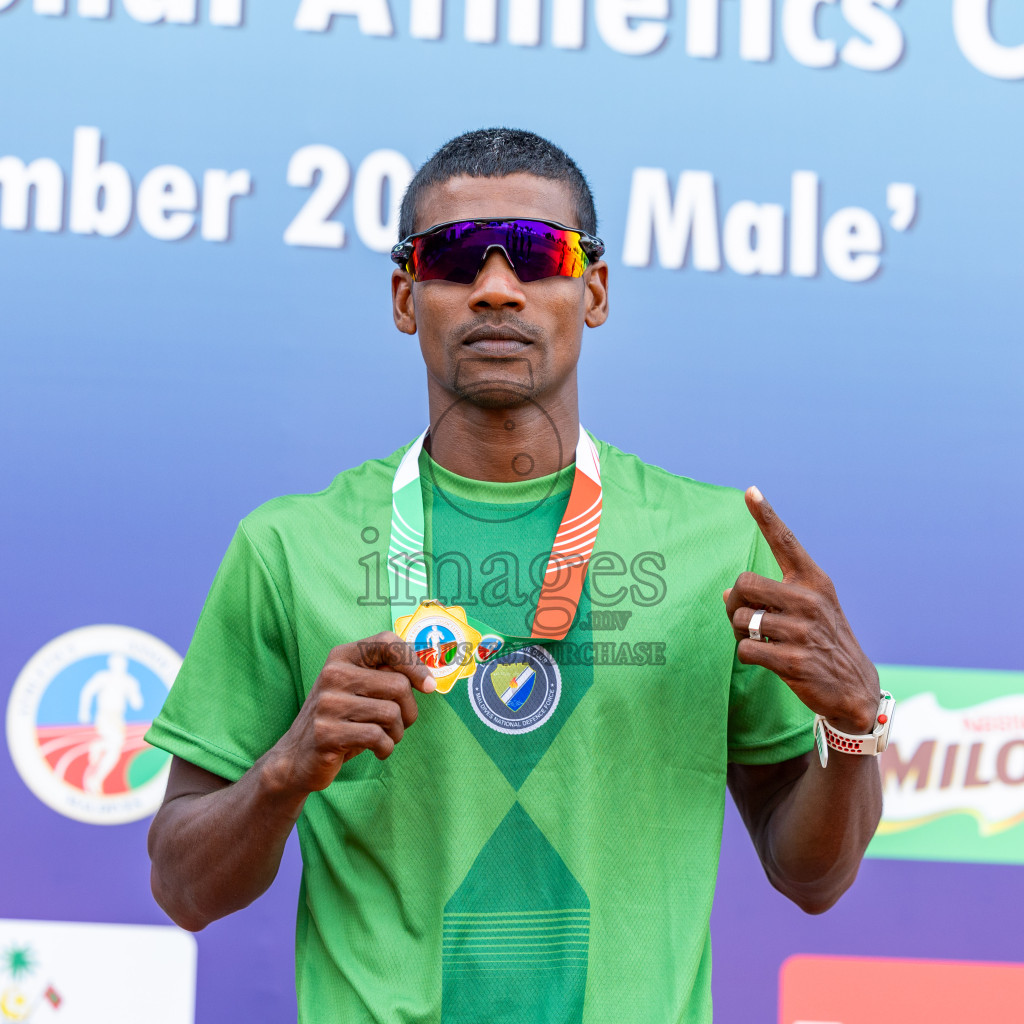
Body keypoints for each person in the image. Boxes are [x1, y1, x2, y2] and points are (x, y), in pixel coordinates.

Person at [145, 128, 885, 1024]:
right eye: (455, 258)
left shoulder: (720, 543)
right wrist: (285, 772)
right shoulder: (290, 548)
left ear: (595, 291)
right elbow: (183, 888)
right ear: (405, 297)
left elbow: (813, 877)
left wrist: (852, 728)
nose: (497, 287)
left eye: (538, 255)